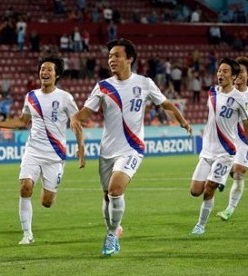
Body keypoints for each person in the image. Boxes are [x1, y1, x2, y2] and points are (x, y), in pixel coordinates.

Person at [70, 38, 192, 256]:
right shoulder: (103, 87)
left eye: (117, 55)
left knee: (116, 190)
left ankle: (110, 236)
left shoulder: (144, 83)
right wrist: (75, 118)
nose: (112, 59)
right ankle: (114, 228)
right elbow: (85, 114)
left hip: (132, 148)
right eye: (110, 56)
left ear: (129, 59)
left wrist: (182, 120)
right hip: (107, 151)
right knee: (107, 196)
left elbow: (165, 104)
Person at [0, 55, 85, 245]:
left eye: (49, 69)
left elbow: (77, 123)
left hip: (55, 155)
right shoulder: (31, 96)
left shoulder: (65, 98)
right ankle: (27, 234)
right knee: (25, 186)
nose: (44, 72)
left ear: (57, 75)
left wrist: (81, 148)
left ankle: (47, 190)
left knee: (46, 202)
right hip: (33, 150)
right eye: (42, 69)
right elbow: (23, 121)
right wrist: (1, 124)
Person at [189, 58, 248, 235]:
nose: (220, 74)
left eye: (225, 71)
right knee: (195, 191)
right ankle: (220, 179)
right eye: (219, 70)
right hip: (207, 151)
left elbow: (247, 126)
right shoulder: (212, 91)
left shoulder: (240, 99)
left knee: (209, 188)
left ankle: (200, 225)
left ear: (234, 76)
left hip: (226, 152)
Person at [216, 56, 248, 221]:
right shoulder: (221, 91)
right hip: (227, 138)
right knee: (231, 170)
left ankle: (229, 209)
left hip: (244, 139)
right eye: (236, 71)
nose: (238, 74)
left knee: (239, 173)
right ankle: (222, 175)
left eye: (242, 71)